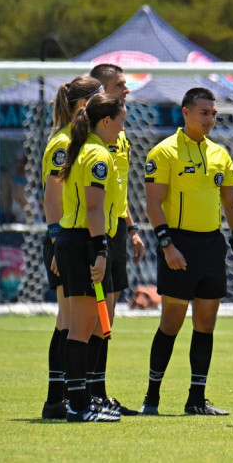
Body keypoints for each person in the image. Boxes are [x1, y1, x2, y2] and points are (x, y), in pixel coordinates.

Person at [139, 87, 233, 416]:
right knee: (171, 322)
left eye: (214, 114)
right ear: (185, 112)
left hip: (211, 245)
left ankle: (196, 399)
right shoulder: (164, 152)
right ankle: (152, 398)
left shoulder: (220, 154)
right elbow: (153, 204)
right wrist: (167, 246)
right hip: (178, 245)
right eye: (204, 112)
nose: (210, 119)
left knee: (206, 324)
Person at [54, 92, 127, 422]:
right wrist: (100, 251)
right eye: (121, 120)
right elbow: (94, 207)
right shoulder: (96, 154)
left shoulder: (92, 150)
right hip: (85, 241)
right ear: (107, 121)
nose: (123, 127)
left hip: (87, 240)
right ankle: (78, 405)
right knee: (81, 327)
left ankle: (86, 399)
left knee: (98, 323)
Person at [40, 75, 103, 419]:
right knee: (67, 322)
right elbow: (52, 197)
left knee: (69, 322)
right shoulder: (63, 143)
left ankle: (59, 399)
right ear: (84, 105)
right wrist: (57, 244)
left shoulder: (79, 140)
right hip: (64, 240)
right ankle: (56, 400)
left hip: (68, 240)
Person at [86, 63, 145, 415]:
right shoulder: (87, 139)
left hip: (117, 229)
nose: (126, 89)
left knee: (107, 316)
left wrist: (133, 227)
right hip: (93, 232)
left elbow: (118, 192)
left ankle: (99, 392)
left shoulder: (119, 135)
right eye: (119, 84)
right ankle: (79, 393)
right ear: (101, 89)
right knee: (87, 318)